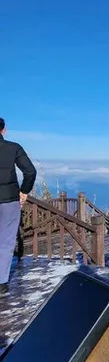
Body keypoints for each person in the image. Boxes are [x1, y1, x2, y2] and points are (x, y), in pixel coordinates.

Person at [0, 118, 36, 294]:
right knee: (6, 241)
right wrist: (24, 191)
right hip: (9, 199)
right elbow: (30, 171)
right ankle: (1, 283)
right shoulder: (13, 148)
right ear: (3, 130)